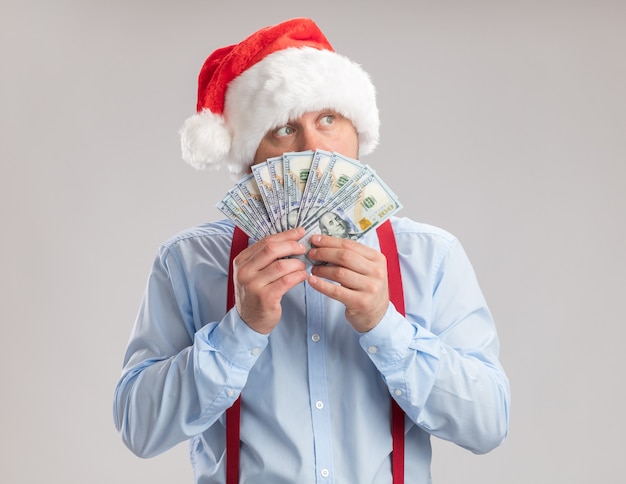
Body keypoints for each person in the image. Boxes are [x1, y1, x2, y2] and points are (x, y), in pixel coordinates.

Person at [113, 17, 510, 483]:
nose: (313, 147)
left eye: (327, 118)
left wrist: (386, 326)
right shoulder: (188, 262)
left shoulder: (430, 256)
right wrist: (239, 330)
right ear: (251, 157)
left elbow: (487, 424)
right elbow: (139, 429)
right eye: (282, 129)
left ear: (357, 131)